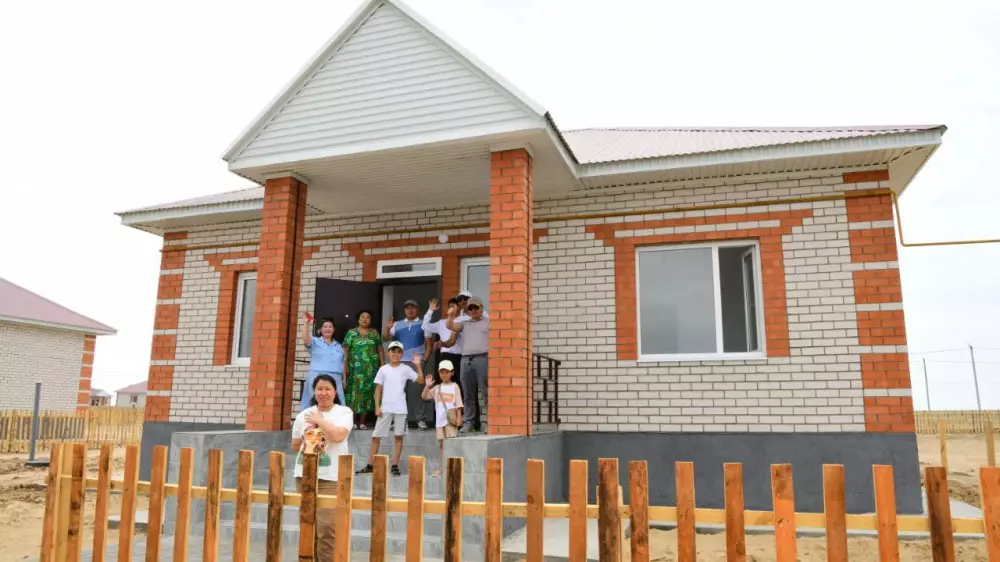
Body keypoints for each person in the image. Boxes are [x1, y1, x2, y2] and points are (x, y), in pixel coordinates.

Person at [291, 374, 353, 561]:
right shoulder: (303, 414)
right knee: (308, 524)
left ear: (335, 392)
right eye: (319, 389)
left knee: (327, 527)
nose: (323, 393)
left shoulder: (344, 412)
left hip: (331, 477)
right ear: (314, 391)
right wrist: (310, 442)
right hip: (304, 475)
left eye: (328, 389)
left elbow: (338, 436)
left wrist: (319, 420)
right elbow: (295, 444)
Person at [357, 341, 424, 476]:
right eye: (393, 351)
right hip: (385, 408)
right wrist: (377, 406)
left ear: (402, 354)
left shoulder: (405, 368)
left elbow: (420, 380)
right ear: (388, 353)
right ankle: (370, 465)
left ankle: (395, 465)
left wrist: (418, 366)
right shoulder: (383, 369)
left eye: (398, 352)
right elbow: (378, 389)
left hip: (400, 408)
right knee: (376, 436)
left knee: (398, 437)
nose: (395, 354)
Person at [384, 299, 434, 429]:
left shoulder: (424, 324)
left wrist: (424, 360)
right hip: (399, 363)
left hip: (416, 363)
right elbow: (385, 338)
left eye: (413, 307)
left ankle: (421, 419)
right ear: (404, 310)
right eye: (407, 308)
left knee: (417, 392)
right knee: (399, 392)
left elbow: (429, 344)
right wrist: (388, 328)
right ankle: (399, 421)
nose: (410, 310)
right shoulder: (397, 324)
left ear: (417, 309)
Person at [445, 297, 489, 433]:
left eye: (476, 307)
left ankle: (491, 422)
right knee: (467, 393)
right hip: (465, 360)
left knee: (486, 392)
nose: (473, 310)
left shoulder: (489, 322)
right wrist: (450, 315)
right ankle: (468, 422)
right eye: (470, 308)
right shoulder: (464, 324)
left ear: (482, 308)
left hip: (482, 358)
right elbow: (449, 326)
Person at [421, 359, 463, 478]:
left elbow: (459, 404)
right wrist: (427, 386)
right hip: (439, 422)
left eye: (447, 372)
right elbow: (424, 396)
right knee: (442, 445)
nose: (444, 374)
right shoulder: (437, 388)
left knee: (451, 444)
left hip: (450, 421)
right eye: (442, 372)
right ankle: (443, 468)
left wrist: (459, 418)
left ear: (452, 373)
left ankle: (452, 468)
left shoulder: (455, 386)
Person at [343, 310, 385, 430]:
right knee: (353, 395)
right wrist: (345, 367)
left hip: (370, 371)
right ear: (358, 319)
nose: (365, 319)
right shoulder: (351, 333)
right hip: (354, 371)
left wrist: (382, 365)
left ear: (370, 320)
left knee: (367, 394)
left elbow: (380, 349)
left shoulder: (374, 333)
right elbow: (345, 351)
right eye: (362, 317)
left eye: (368, 317)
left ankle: (362, 422)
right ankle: (352, 421)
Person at [301, 314, 346, 409]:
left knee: (337, 404)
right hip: (317, 376)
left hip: (336, 379)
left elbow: (342, 363)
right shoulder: (315, 341)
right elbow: (305, 339)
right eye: (325, 327)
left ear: (334, 329)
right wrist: (306, 323)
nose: (327, 329)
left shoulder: (338, 346)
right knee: (315, 403)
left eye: (330, 327)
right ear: (321, 329)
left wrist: (344, 378)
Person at [422, 298, 463, 399]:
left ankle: (459, 407)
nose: (452, 308)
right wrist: (430, 311)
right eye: (451, 306)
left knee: (459, 383)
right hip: (445, 356)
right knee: (443, 382)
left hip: (460, 356)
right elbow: (425, 326)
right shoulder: (441, 323)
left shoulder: (463, 321)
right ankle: (443, 405)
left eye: (455, 306)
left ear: (459, 308)